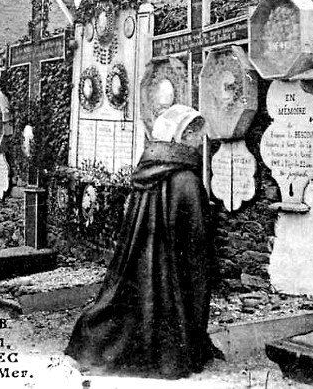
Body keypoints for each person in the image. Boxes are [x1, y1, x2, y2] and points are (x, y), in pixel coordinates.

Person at [65, 104, 221, 379]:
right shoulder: (186, 180)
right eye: (195, 135)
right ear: (182, 137)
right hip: (172, 265)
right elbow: (197, 243)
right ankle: (171, 355)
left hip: (141, 259)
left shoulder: (147, 172)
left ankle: (103, 345)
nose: (200, 141)